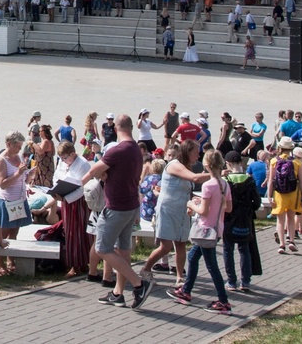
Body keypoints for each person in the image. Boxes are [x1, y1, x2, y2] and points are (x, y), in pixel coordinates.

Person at [80, 114, 154, 310]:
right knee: (123, 250)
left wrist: (88, 179)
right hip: (130, 205)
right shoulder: (136, 150)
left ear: (116, 129)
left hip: (116, 207)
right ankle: (118, 293)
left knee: (102, 248)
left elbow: (93, 171)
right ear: (131, 127)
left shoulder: (118, 150)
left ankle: (138, 284)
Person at [169, 150, 233, 315]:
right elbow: (228, 207)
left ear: (206, 165)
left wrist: (192, 204)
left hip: (205, 230)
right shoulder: (224, 184)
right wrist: (206, 202)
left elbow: (203, 211)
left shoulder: (208, 185)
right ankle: (186, 291)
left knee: (212, 266)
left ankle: (223, 301)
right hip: (216, 228)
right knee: (192, 257)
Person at [141, 139, 209, 287]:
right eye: (196, 153)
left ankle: (179, 278)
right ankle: (146, 268)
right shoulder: (174, 165)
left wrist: (193, 198)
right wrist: (217, 174)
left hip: (182, 211)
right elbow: (195, 178)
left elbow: (186, 188)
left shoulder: (185, 167)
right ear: (187, 151)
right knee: (165, 247)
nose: (198, 156)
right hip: (167, 210)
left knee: (180, 244)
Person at [0, 131, 32, 276]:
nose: (19, 149)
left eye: (21, 146)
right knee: (2, 234)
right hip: (7, 201)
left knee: (14, 232)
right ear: (9, 144)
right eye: (17, 146)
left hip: (19, 200)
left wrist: (29, 176)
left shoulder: (19, 157)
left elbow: (22, 179)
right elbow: (2, 184)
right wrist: (18, 174)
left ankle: (11, 260)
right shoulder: (1, 160)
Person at [50, 140, 91, 277]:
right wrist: (57, 191)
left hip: (78, 202)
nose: (63, 160)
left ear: (73, 153)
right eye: (61, 158)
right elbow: (56, 176)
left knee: (78, 233)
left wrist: (66, 198)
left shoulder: (83, 164)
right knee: (69, 232)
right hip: (65, 200)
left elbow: (82, 186)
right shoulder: (63, 162)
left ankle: (79, 264)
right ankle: (76, 263)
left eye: (65, 157)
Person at [222, 151, 261, 293]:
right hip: (245, 219)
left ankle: (231, 281)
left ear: (228, 164)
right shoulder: (249, 180)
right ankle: (245, 281)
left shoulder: (226, 181)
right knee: (244, 249)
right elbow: (257, 202)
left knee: (228, 250)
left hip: (229, 218)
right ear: (241, 163)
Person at [267, 137, 302, 254]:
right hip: (293, 193)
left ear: (280, 147)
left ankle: (281, 244)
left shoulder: (274, 161)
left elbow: (271, 180)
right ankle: (291, 241)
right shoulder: (297, 162)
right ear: (291, 149)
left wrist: (269, 196)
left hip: (279, 193)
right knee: (291, 217)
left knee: (280, 220)